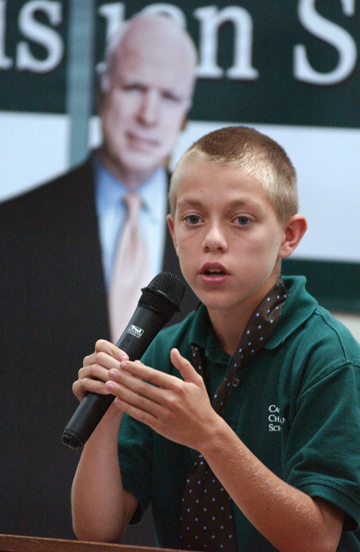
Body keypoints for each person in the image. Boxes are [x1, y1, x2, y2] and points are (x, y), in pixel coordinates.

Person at [71, 126, 360, 552]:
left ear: (289, 235)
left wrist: (210, 436)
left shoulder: (327, 356)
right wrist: (105, 419)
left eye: (241, 220)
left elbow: (316, 540)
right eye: (193, 219)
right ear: (173, 232)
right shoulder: (162, 350)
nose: (213, 240)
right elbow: (98, 531)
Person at [0, 13, 197, 540]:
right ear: (103, 87)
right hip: (30, 524)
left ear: (185, 113)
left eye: (169, 97)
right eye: (134, 87)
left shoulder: (219, 252)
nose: (148, 115)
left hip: (170, 530)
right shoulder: (15, 226)